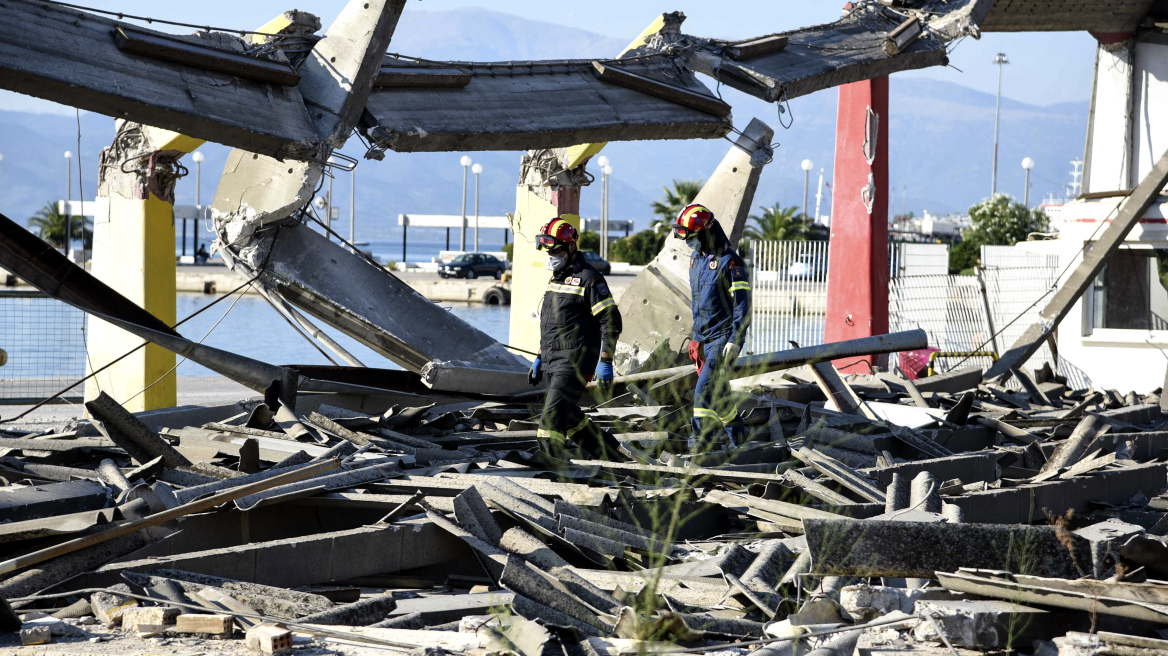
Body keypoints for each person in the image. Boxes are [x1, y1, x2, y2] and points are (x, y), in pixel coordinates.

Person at [528, 217, 623, 459]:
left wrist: (605, 360)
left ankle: (552, 469)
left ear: (571, 248)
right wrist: (540, 357)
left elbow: (611, 320)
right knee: (568, 416)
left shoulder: (590, 279)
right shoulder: (556, 278)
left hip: (574, 363)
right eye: (549, 251)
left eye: (557, 250)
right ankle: (612, 454)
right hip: (552, 359)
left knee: (550, 423)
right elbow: (552, 324)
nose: (552, 255)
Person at [672, 203, 751, 450]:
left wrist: (736, 339)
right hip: (702, 341)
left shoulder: (731, 263)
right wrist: (695, 340)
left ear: (706, 232)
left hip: (721, 341)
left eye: (693, 237)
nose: (690, 243)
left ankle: (698, 448)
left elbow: (743, 306)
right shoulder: (696, 261)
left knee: (702, 395)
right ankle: (741, 442)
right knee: (720, 397)